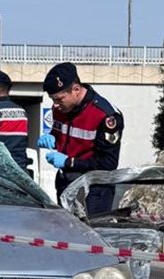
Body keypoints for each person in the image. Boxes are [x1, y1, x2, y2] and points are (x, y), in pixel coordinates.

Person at [37, 62, 123, 216]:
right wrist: (52, 137)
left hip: (94, 190)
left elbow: (108, 163)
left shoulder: (105, 115)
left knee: (89, 236)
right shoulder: (61, 109)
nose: (55, 105)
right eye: (52, 99)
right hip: (66, 182)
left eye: (59, 99)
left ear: (76, 90)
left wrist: (69, 162)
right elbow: (63, 134)